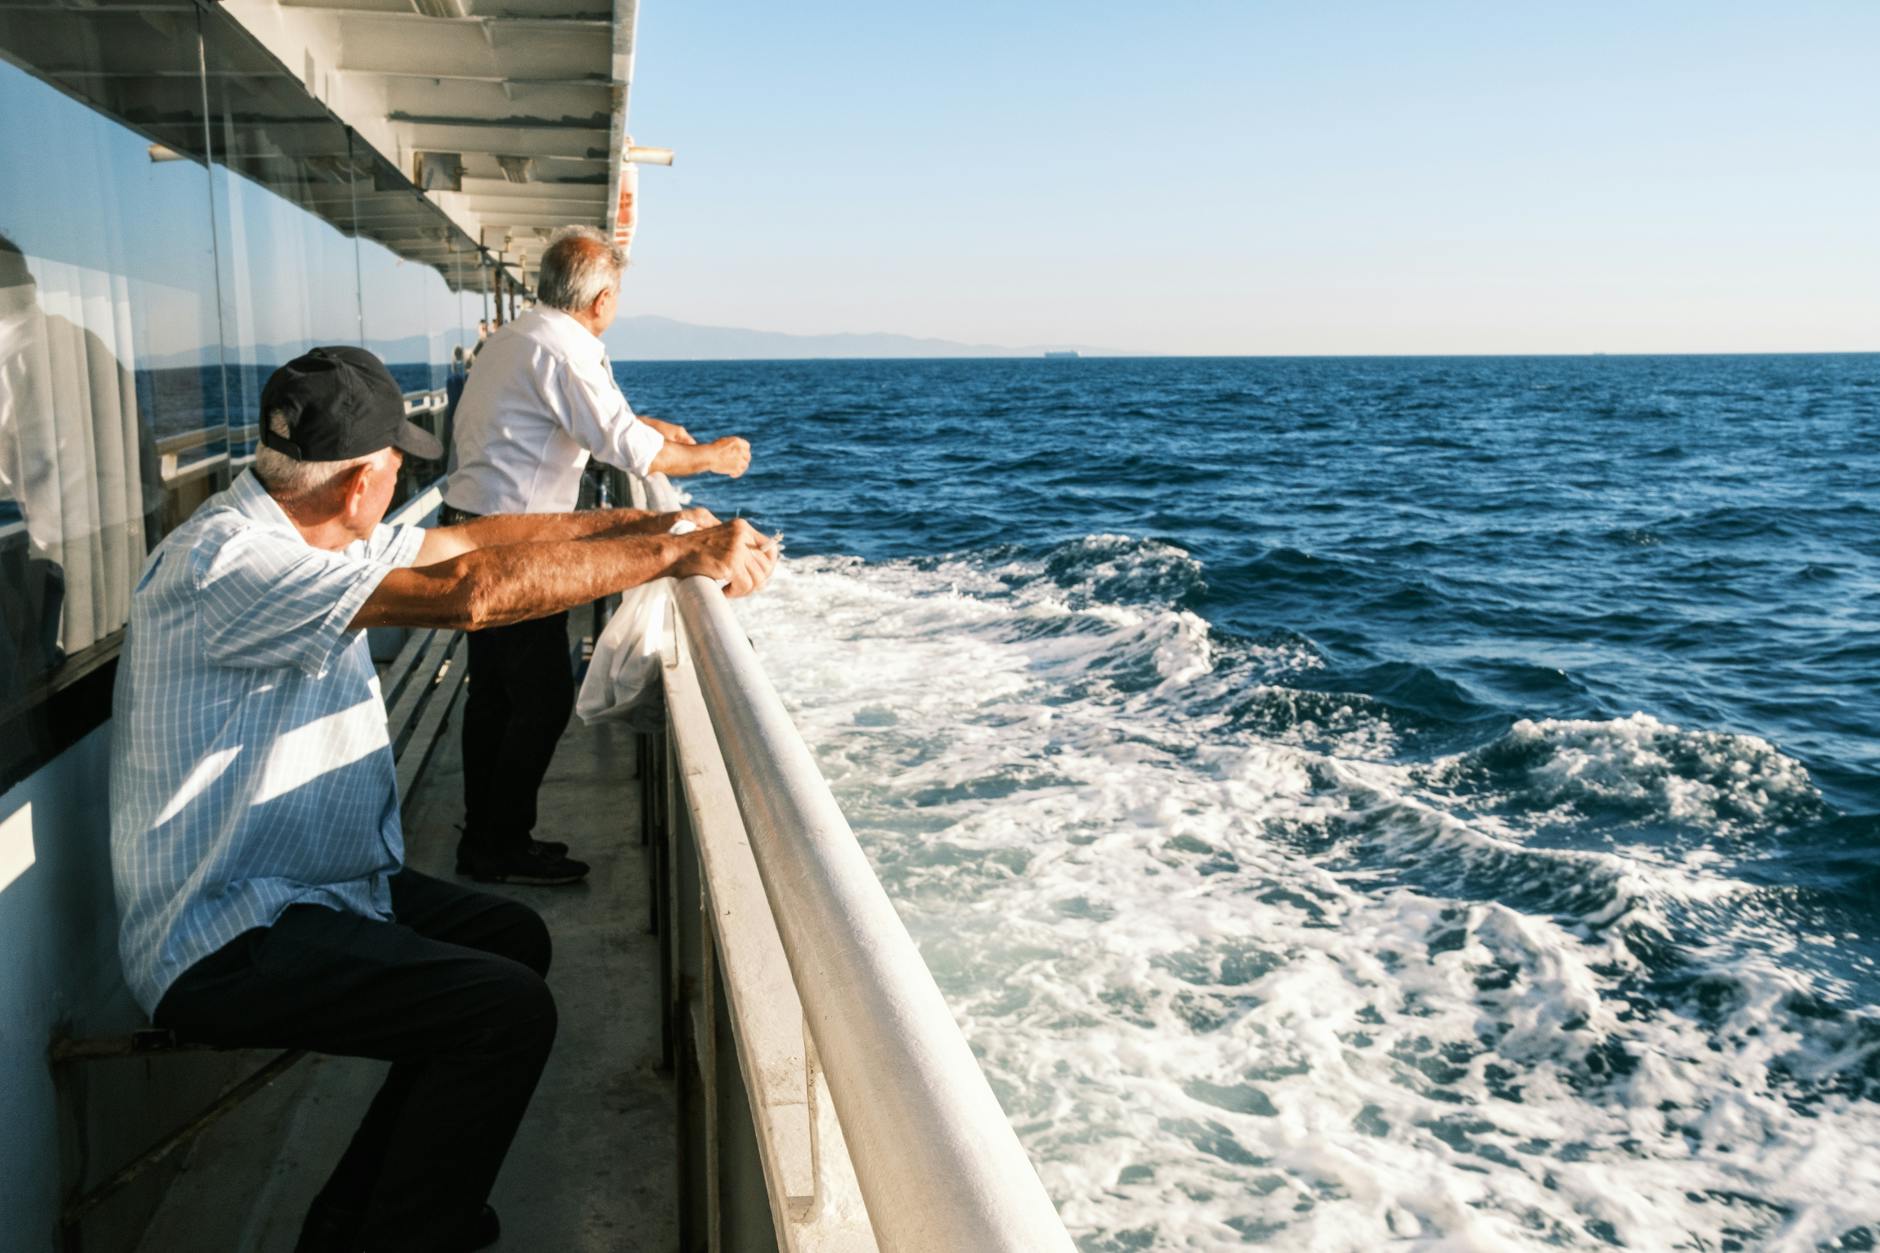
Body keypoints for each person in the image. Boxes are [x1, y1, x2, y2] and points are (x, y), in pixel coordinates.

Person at [109, 345, 777, 1253]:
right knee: (502, 1013)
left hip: (311, 883)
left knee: (512, 939)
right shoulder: (230, 564)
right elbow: (470, 591)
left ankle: (357, 1219)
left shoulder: (306, 527)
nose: (405, 477)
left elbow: (477, 540)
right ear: (361, 484)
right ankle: (404, 1235)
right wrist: (673, 556)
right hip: (224, 933)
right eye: (399, 463)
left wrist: (651, 525)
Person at [441, 225, 750, 885]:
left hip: (474, 529)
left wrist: (651, 427)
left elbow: (582, 421)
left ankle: (486, 836)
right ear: (602, 298)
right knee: (542, 699)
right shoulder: (564, 349)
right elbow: (629, 451)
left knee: (493, 695)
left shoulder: (517, 337)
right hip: (514, 546)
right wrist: (713, 456)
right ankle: (500, 846)